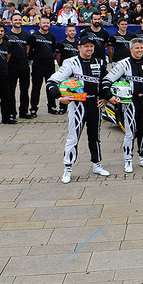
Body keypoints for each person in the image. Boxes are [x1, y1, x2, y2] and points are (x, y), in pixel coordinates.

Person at [48, 37, 111, 183]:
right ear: (79, 47)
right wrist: (60, 98)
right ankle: (67, 168)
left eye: (91, 46)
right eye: (86, 46)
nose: (89, 49)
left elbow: (106, 82)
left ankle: (97, 164)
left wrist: (106, 97)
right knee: (73, 137)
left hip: (95, 104)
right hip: (77, 105)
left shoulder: (100, 62)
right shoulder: (71, 63)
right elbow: (52, 81)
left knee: (94, 136)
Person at [102, 39, 143, 173]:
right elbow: (107, 80)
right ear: (131, 49)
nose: (140, 50)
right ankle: (128, 160)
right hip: (129, 104)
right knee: (130, 133)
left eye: (141, 48)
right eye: (137, 48)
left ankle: (142, 158)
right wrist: (110, 97)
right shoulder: (123, 64)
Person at [29, 16, 60, 117]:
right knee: (36, 87)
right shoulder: (34, 36)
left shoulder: (52, 36)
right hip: (37, 65)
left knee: (50, 86)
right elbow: (30, 51)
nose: (46, 25)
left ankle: (52, 106)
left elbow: (53, 49)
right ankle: (33, 108)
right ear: (39, 24)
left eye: (47, 23)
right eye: (44, 23)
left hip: (50, 65)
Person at [6, 13, 32, 120]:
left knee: (24, 90)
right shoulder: (6, 36)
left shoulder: (26, 35)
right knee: (11, 90)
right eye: (15, 20)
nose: (17, 21)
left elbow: (27, 49)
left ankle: (24, 112)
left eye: (19, 20)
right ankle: (12, 112)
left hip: (24, 66)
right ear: (11, 21)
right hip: (11, 66)